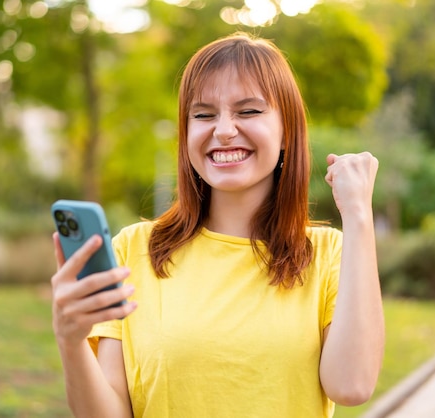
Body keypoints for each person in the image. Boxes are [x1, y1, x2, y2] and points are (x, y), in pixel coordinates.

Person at [50, 32, 384, 418]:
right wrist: (71, 340)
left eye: (248, 111)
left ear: (287, 131)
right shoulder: (133, 250)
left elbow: (352, 385)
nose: (223, 130)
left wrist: (359, 214)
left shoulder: (327, 255)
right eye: (204, 114)